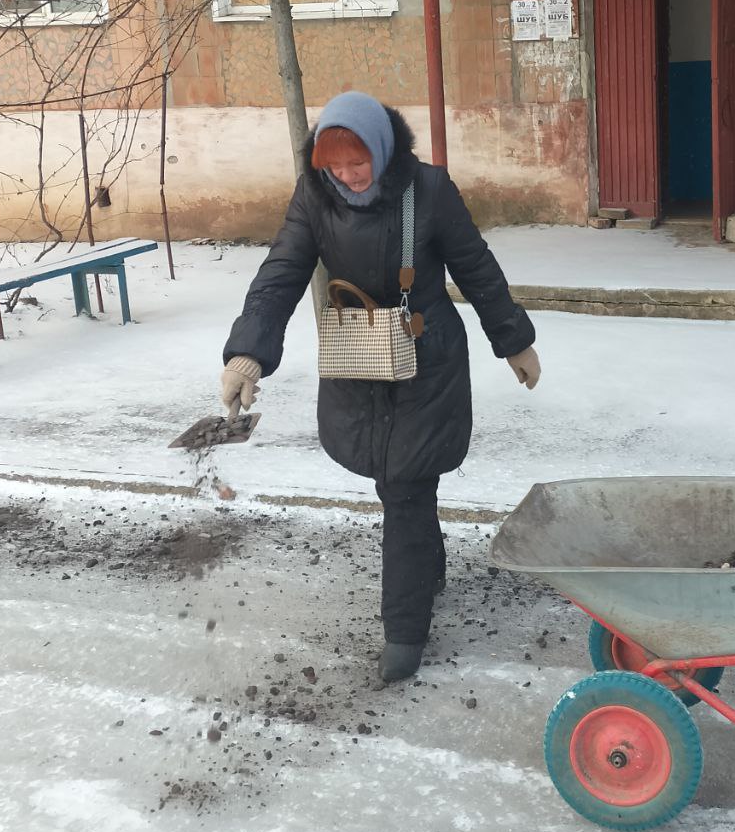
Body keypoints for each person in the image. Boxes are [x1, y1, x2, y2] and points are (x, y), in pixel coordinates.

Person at [220, 91, 540, 683]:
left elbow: (477, 267)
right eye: (334, 167)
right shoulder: (314, 197)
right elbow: (281, 273)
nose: (346, 177)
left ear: (383, 149)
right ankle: (427, 568)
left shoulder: (429, 190)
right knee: (399, 486)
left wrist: (513, 340)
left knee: (405, 490)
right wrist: (248, 352)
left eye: (356, 164)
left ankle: (404, 631)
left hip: (427, 362)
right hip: (359, 361)